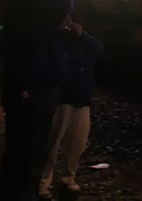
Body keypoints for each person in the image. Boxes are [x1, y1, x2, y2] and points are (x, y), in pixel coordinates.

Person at [0, 0, 73, 201]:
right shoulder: (24, 0)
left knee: (26, 150)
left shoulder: (20, 0)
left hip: (30, 85)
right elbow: (63, 5)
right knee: (28, 151)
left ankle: (18, 194)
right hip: (32, 88)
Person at [39, 16, 103, 198]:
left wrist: (82, 35)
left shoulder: (83, 40)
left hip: (81, 98)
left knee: (76, 143)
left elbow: (99, 50)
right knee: (53, 142)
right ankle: (43, 181)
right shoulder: (55, 40)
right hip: (63, 98)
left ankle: (67, 178)